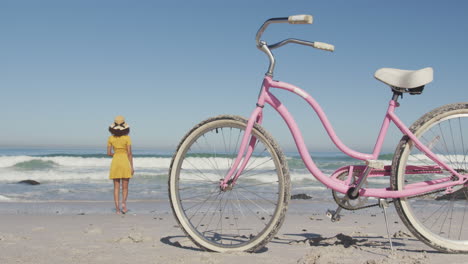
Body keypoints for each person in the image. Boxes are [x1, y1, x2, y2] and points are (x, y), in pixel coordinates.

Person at [107, 115, 134, 214]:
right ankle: (124, 205)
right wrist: (132, 167)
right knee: (125, 187)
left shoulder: (110, 138)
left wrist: (116, 154)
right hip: (125, 161)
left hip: (115, 161)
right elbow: (130, 153)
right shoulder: (127, 138)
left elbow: (109, 153)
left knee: (116, 188)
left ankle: (117, 209)